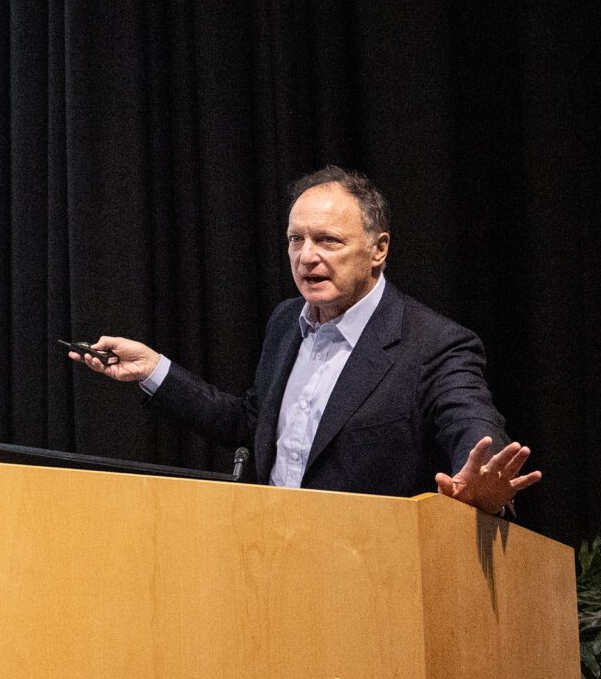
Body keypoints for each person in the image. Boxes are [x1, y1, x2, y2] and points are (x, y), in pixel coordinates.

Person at [71, 166, 540, 513]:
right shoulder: (285, 321)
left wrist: (482, 479)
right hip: (269, 555)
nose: (307, 257)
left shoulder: (433, 344)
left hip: (371, 579)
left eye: (328, 241)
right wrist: (155, 370)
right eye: (296, 240)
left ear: (379, 249)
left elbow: (471, 424)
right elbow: (254, 425)